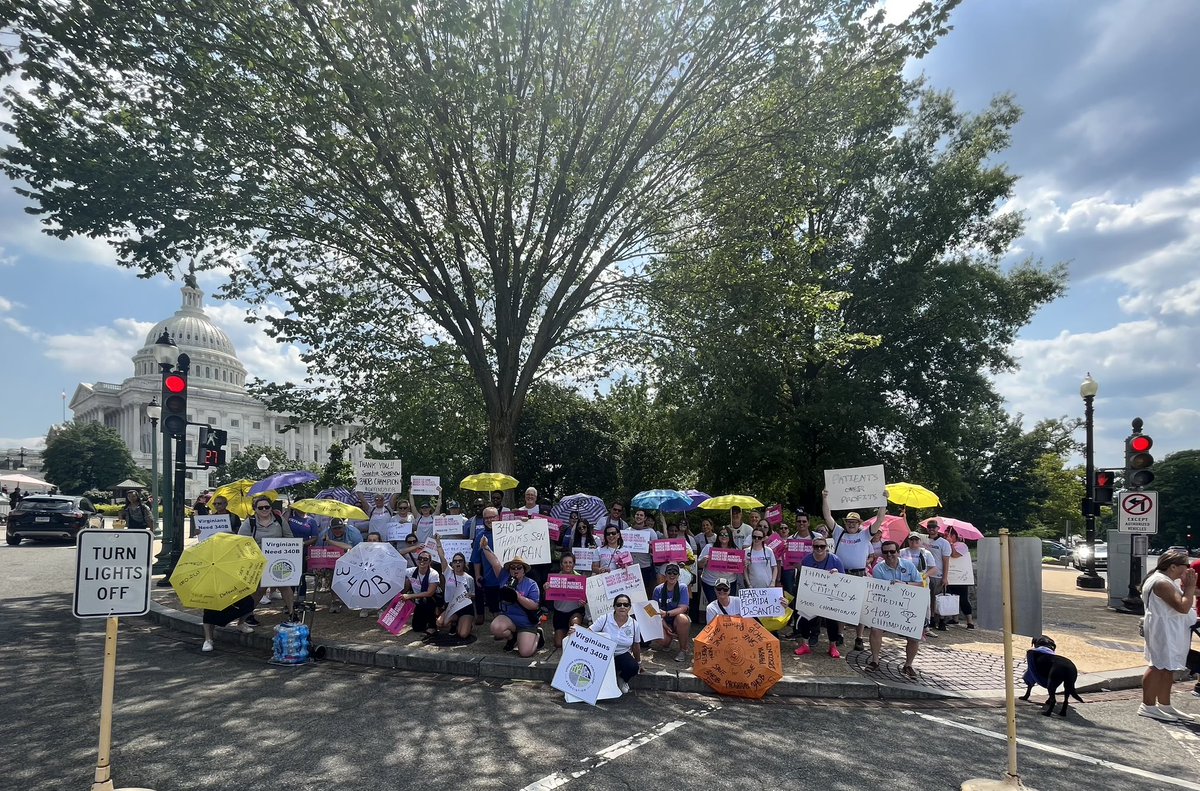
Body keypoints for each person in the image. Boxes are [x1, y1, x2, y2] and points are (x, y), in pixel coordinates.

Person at [824, 488, 888, 651]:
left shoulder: (865, 535)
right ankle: (840, 634)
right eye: (849, 522)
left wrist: (883, 502)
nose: (851, 524)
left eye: (854, 522)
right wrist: (825, 498)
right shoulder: (839, 532)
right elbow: (827, 516)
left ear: (859, 524)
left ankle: (859, 637)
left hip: (859, 573)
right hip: (842, 572)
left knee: (860, 607)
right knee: (840, 605)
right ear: (845, 523)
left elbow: (879, 520)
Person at [1138, 551, 1197, 722]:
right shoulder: (1161, 582)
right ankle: (1147, 705)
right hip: (1163, 629)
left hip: (1168, 628)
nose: (1187, 569)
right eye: (1185, 566)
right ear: (1173, 567)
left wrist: (1188, 589)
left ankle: (1164, 704)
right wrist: (1190, 587)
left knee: (1167, 667)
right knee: (1157, 665)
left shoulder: (1164, 581)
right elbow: (1183, 607)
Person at [866, 540, 924, 679]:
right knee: (875, 629)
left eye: (892, 551)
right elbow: (879, 591)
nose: (889, 554)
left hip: (908, 607)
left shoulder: (909, 565)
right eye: (886, 552)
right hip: (886, 607)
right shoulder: (878, 569)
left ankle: (908, 665)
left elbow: (920, 584)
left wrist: (903, 584)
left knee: (914, 636)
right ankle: (875, 661)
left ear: (898, 552)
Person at [237, 496, 296, 624]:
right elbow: (241, 542)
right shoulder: (250, 523)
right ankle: (248, 615)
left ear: (271, 508)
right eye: (260, 507)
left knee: (285, 586)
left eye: (267, 507)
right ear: (255, 509)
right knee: (259, 590)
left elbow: (289, 537)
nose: (264, 509)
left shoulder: (279, 520)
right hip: (258, 562)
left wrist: (283, 548)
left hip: (278, 560)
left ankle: (292, 614)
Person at [479, 540, 543, 657]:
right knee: (496, 628)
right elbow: (495, 563)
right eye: (513, 568)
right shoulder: (504, 577)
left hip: (526, 622)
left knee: (525, 653)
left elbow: (534, 605)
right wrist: (485, 547)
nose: (516, 570)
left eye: (519, 568)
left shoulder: (531, 584)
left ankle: (537, 634)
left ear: (524, 570)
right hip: (509, 618)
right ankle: (511, 637)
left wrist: (517, 595)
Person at [794, 537, 845, 658]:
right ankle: (805, 645)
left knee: (831, 621)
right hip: (812, 595)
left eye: (822, 546)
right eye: (816, 546)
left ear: (826, 547)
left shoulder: (835, 560)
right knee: (805, 618)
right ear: (812, 547)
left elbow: (844, 580)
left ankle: (833, 646)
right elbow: (802, 578)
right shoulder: (807, 559)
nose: (819, 549)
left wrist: (836, 574)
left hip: (829, 596)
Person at [584, 594, 642, 694]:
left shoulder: (634, 624)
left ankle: (622, 678)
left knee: (633, 667)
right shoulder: (605, 619)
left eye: (625, 605)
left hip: (621, 655)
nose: (622, 607)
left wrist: (639, 663)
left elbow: (636, 645)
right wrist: (576, 631)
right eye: (619, 604)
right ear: (614, 606)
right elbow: (589, 632)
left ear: (629, 607)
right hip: (602, 656)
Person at [435, 540, 477, 641]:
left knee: (462, 635)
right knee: (440, 623)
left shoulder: (469, 578)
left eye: (460, 561)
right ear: (452, 563)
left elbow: (473, 595)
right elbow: (442, 557)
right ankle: (454, 622)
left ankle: (466, 624)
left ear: (464, 563)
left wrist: (469, 595)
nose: (458, 562)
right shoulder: (448, 572)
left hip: (465, 608)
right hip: (451, 607)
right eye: (455, 561)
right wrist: (438, 542)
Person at [900, 533, 940, 638]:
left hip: (922, 581)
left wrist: (925, 575)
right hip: (907, 580)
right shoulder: (902, 552)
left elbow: (934, 568)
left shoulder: (925, 553)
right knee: (906, 602)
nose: (914, 543)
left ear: (920, 541)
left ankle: (926, 628)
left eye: (916, 540)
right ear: (908, 541)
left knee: (925, 604)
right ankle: (904, 626)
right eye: (911, 540)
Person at [651, 563, 691, 662]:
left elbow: (683, 608)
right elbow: (654, 611)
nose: (672, 575)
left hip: (677, 619)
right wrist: (665, 625)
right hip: (663, 620)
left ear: (678, 575)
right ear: (665, 574)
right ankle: (667, 642)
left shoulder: (682, 587)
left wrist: (667, 613)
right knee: (663, 640)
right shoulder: (658, 589)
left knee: (682, 619)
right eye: (669, 573)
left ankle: (683, 649)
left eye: (675, 573)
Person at [698, 528, 740, 619]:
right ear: (718, 536)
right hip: (710, 583)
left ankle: (729, 626)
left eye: (726, 534)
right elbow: (699, 564)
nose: (724, 536)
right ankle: (714, 626)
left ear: (730, 537)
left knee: (728, 606)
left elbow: (740, 569)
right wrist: (704, 561)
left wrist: (743, 564)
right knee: (715, 606)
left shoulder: (735, 550)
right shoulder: (709, 547)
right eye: (721, 534)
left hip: (729, 583)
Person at [400, 550, 441, 636]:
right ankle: (425, 621)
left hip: (431, 600)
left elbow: (429, 593)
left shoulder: (433, 574)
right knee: (417, 628)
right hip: (418, 601)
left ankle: (432, 624)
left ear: (430, 561)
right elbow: (398, 572)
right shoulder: (411, 571)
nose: (422, 561)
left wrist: (409, 596)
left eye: (425, 559)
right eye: (420, 558)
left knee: (427, 600)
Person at [551, 552, 587, 649]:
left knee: (574, 625)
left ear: (574, 564)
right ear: (561, 565)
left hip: (575, 611)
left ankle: (576, 626)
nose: (568, 565)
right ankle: (566, 629)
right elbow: (547, 596)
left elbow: (586, 598)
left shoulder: (580, 579)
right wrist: (546, 588)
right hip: (560, 612)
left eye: (570, 562)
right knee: (559, 644)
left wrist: (584, 601)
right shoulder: (554, 579)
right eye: (565, 562)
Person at [471, 507, 502, 617]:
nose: (489, 520)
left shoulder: (509, 531)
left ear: (498, 517)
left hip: (508, 578)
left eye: (492, 517)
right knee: (495, 610)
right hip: (490, 580)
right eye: (486, 518)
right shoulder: (480, 536)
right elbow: (476, 559)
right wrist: (478, 575)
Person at [924, 521, 953, 631]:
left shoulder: (943, 543)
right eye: (929, 527)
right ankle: (931, 619)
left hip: (938, 575)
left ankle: (941, 620)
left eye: (934, 527)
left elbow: (946, 561)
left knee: (939, 599)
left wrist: (945, 577)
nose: (931, 529)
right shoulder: (923, 539)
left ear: (938, 528)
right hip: (926, 574)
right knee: (929, 599)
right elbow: (910, 533)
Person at [945, 527, 975, 629]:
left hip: (960, 577)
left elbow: (954, 555)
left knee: (963, 599)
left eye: (947, 535)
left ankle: (969, 621)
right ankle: (955, 618)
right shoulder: (946, 544)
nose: (946, 537)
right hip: (950, 575)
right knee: (953, 597)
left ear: (953, 536)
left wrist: (951, 544)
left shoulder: (962, 545)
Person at [627, 508, 662, 594]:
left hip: (645, 566)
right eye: (637, 514)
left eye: (641, 515)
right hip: (630, 566)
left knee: (645, 591)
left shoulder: (650, 531)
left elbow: (656, 550)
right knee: (632, 592)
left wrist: (651, 547)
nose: (638, 516)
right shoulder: (627, 530)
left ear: (645, 518)